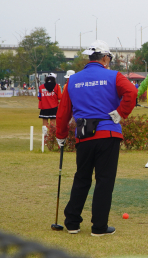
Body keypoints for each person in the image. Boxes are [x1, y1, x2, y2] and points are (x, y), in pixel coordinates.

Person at [56, 40, 137, 236]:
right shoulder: (113, 75)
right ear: (105, 58)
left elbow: (64, 111)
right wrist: (121, 112)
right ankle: (99, 227)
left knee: (81, 178)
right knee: (104, 181)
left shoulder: (73, 80)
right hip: (108, 134)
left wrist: (60, 135)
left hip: (84, 136)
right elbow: (132, 92)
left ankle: (72, 223)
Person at [38, 73, 61, 138]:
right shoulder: (57, 86)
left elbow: (39, 97)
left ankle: (45, 137)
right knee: (52, 123)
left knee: (44, 123)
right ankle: (52, 137)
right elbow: (59, 97)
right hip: (54, 107)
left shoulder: (41, 86)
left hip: (44, 107)